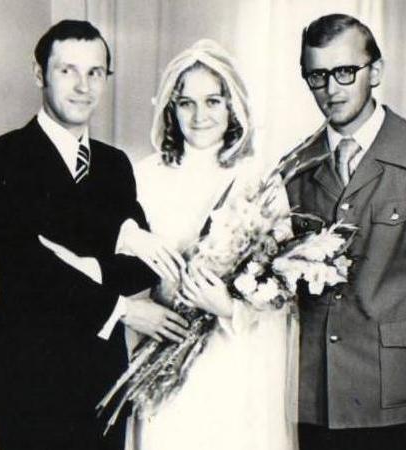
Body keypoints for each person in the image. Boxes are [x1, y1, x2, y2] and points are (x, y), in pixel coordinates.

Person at [0, 20, 179, 450]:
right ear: (39, 75)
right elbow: (23, 268)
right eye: (67, 70)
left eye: (95, 72)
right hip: (28, 373)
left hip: (102, 376)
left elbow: (140, 264)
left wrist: (81, 264)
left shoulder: (115, 164)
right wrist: (121, 308)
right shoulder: (0, 158)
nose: (82, 85)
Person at [124, 40, 297, 450]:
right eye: (186, 103)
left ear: (232, 105)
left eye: (213, 101)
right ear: (170, 108)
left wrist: (226, 306)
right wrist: (153, 300)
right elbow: (123, 271)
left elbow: (284, 295)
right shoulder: (141, 176)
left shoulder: (261, 181)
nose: (200, 116)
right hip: (162, 349)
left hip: (234, 359)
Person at [285, 13, 406, 450]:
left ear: (375, 72)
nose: (331, 89)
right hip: (315, 395)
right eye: (316, 76)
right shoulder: (294, 168)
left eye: (344, 72)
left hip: (397, 391)